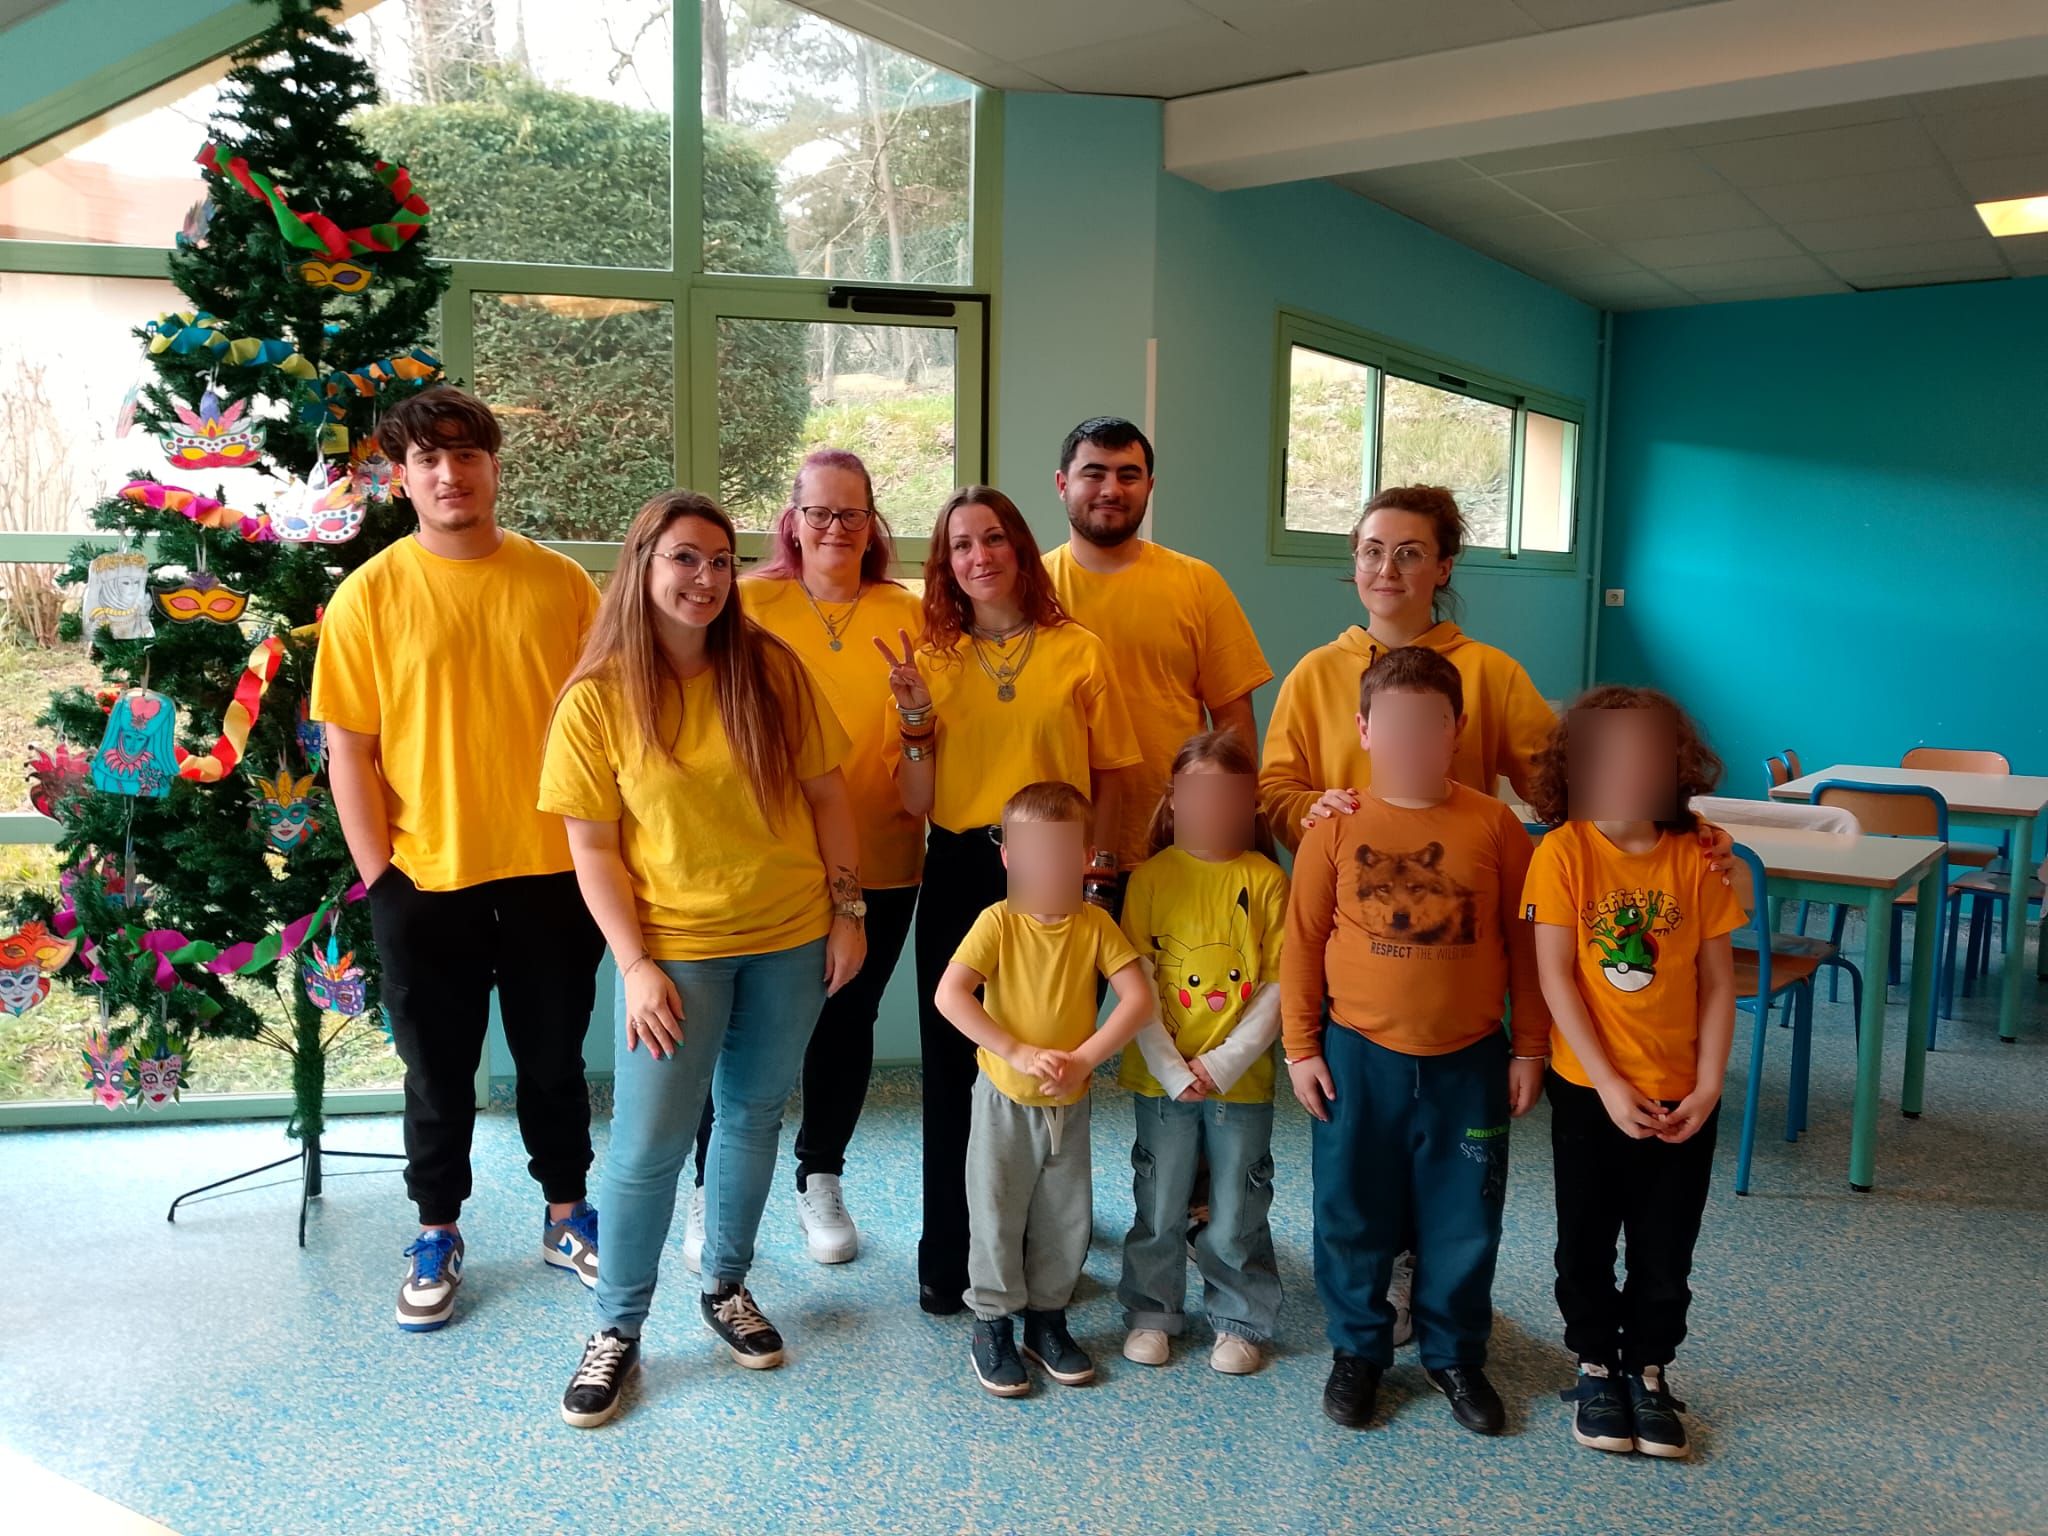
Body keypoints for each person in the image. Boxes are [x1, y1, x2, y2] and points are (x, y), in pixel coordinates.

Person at [539, 491, 866, 1429]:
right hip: (675, 954)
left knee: (753, 1117)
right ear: (643, 565)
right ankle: (616, 1328)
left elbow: (828, 797)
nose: (707, 578)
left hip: (789, 936)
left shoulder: (770, 670)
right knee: (648, 1146)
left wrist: (848, 912)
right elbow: (593, 849)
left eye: (722, 561)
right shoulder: (598, 697)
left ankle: (726, 1285)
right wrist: (634, 964)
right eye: (686, 558)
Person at [312, 385, 605, 1334]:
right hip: (424, 879)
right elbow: (349, 748)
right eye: (428, 459)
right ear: (402, 479)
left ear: (492, 467)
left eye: (466, 455)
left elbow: (606, 725)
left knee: (553, 1061)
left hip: (551, 873)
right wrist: (379, 877)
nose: (450, 474)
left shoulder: (561, 584)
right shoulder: (369, 595)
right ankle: (436, 1230)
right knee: (436, 1074)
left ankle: (567, 1216)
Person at [877, 486, 1142, 1316]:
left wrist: (1101, 875)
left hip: (1060, 875)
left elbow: (1116, 777)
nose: (978, 556)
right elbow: (916, 800)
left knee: (1051, 1064)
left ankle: (1044, 1258)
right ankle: (953, 1254)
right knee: (958, 1067)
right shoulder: (933, 659)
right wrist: (914, 720)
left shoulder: (1079, 650)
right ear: (945, 565)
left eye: (992, 538)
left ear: (1021, 548)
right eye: (960, 545)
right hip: (963, 869)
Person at [1282, 646, 1549, 1435]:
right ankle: (1358, 1350)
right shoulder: (1334, 829)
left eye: (1428, 725)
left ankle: (1455, 1353)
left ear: (1456, 729)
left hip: (1471, 1060)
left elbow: (1526, 948)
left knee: (1464, 1216)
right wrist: (1301, 1048)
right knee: (1351, 1211)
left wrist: (1529, 1048)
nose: (1410, 742)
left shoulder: (1495, 826)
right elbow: (1302, 943)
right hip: (1357, 1057)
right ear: (1364, 730)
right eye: (1392, 726)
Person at [681, 449, 925, 1270]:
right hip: (769, 863)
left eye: (851, 513)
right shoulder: (748, 602)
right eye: (818, 512)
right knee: (735, 1035)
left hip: (881, 855)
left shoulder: (909, 611)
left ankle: (820, 1176)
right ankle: (709, 1185)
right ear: (792, 519)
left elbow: (933, 724)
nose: (834, 528)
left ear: (872, 522)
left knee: (845, 1025)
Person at [1522, 686, 1739, 1461]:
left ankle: (1648, 1371)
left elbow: (1719, 983)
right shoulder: (1563, 853)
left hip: (1683, 1093)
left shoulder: (1699, 855)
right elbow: (1555, 979)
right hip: (1590, 1092)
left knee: (1665, 1249)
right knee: (1584, 1242)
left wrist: (1710, 1083)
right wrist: (1610, 1084)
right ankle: (1594, 1367)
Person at [934, 781, 1151, 1396]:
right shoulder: (997, 923)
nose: (1048, 868)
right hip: (1004, 1101)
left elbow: (1138, 1000)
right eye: (1034, 854)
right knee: (997, 1212)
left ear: (1084, 857)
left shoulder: (1095, 925)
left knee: (1064, 1216)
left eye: (1061, 854)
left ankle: (1046, 1320)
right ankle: (993, 1323)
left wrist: (1084, 1060)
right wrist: (1016, 1051)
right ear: (1009, 857)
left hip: (1068, 1105)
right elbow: (950, 995)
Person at [1115, 730, 1288, 1376]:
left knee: (1238, 1206)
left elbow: (1279, 987)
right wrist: (1171, 1069)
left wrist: (1218, 1065)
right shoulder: (1150, 880)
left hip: (1239, 1084)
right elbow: (1134, 982)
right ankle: (1152, 1312)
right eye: (1199, 795)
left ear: (1250, 804)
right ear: (1174, 800)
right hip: (1160, 1081)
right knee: (1159, 1201)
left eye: (1227, 797)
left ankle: (1239, 1319)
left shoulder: (1267, 882)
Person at [1042, 416, 1272, 886]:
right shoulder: (1034, 593)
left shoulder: (1197, 583)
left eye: (1128, 475)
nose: (1112, 489)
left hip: (1179, 842)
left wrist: (1230, 825)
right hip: (1059, 847)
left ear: (1149, 486)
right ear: (1062, 484)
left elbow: (1233, 720)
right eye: (1094, 473)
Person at [1259, 483, 1553, 851]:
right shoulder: (1313, 673)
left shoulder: (1492, 671)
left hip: (1459, 879)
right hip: (1347, 880)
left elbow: (1558, 784)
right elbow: (1276, 792)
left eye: (1409, 554)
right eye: (1372, 552)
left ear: (1443, 568)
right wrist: (1317, 809)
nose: (1387, 570)